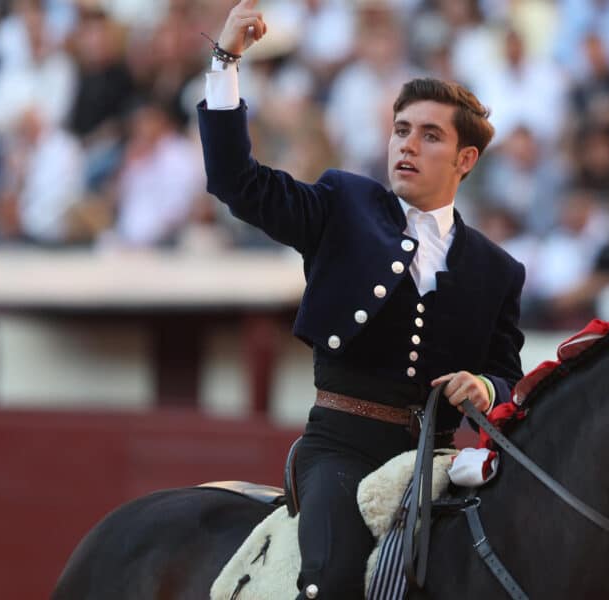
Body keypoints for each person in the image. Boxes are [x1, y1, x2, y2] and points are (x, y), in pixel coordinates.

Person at [198, 2, 525, 599]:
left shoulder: (497, 269)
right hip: (340, 449)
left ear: (465, 159)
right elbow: (235, 181)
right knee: (334, 579)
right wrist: (226, 60)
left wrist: (484, 385)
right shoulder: (342, 204)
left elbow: (507, 375)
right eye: (402, 129)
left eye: (430, 136)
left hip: (439, 462)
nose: (408, 145)